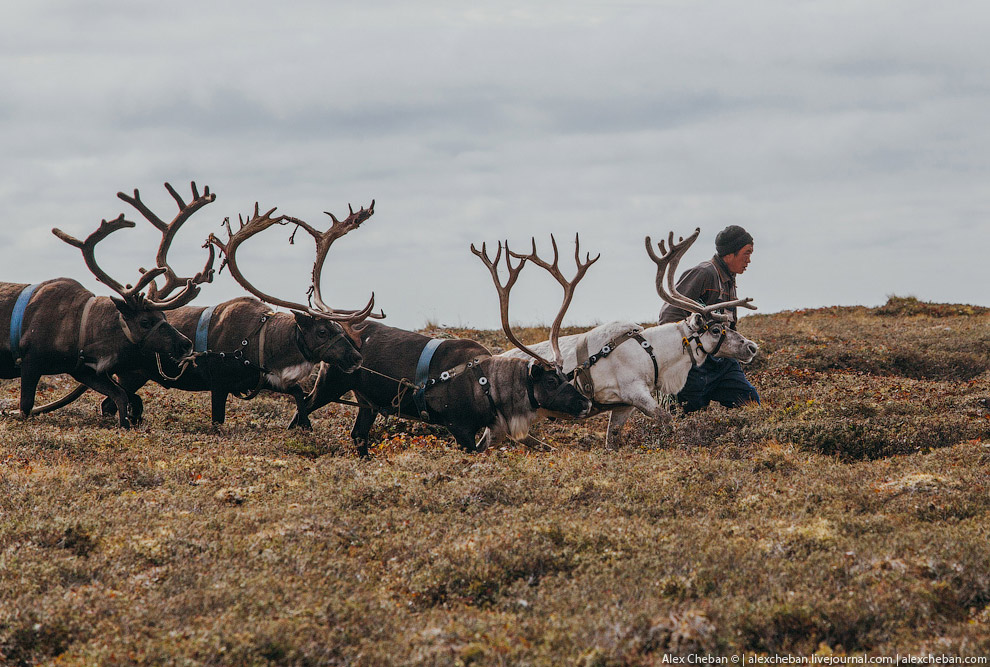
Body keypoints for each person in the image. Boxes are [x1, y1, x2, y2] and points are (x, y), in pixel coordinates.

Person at [658, 225, 759, 412]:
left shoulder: (728, 278)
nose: (749, 260)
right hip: (695, 365)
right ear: (730, 254)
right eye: (746, 253)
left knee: (749, 401)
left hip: (722, 362)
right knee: (687, 417)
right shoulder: (704, 273)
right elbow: (668, 316)